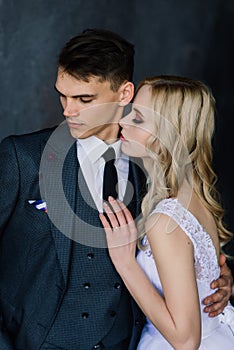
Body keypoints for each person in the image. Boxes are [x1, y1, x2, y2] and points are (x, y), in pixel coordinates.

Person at [0, 29, 232, 350]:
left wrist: (215, 282)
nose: (68, 111)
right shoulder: (22, 158)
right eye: (62, 95)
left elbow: (186, 256)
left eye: (85, 100)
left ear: (124, 94)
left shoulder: (151, 173)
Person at [100, 75, 234, 349]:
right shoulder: (196, 197)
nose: (123, 121)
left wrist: (125, 263)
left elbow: (186, 340)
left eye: (137, 118)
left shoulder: (165, 220)